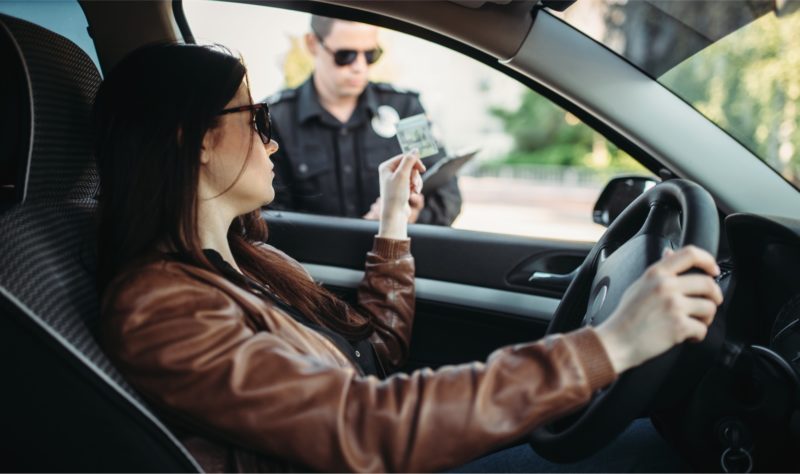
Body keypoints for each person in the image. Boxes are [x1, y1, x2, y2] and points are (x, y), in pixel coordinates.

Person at [94, 43, 723, 473]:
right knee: (650, 453)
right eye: (253, 116)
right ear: (196, 139)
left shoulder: (245, 260)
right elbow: (364, 425)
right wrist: (609, 347)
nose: (272, 138)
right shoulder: (159, 308)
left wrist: (394, 219)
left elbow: (372, 360)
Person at [266, 15, 462, 225]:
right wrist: (366, 227)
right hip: (311, 258)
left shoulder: (405, 110)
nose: (359, 66)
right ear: (312, 44)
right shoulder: (276, 119)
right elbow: (271, 218)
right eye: (345, 55)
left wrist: (412, 218)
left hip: (397, 253)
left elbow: (447, 196)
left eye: (370, 55)